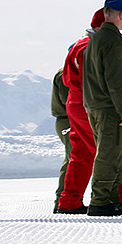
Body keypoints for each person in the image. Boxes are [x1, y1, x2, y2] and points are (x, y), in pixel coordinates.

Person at [56, 8, 122, 215]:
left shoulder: (77, 45)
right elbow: (100, 77)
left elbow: (65, 79)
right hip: (90, 101)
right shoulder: (91, 46)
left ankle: (68, 201)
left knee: (81, 153)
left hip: (76, 101)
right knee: (106, 149)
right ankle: (117, 196)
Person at [84, 0, 122, 216]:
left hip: (95, 105)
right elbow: (117, 80)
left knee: (113, 153)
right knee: (109, 154)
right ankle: (100, 201)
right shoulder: (112, 41)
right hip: (109, 108)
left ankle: (113, 198)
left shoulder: (95, 40)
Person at [50, 68, 71, 213]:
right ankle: (61, 200)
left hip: (69, 119)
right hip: (68, 120)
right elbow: (69, 100)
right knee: (73, 159)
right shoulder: (66, 73)